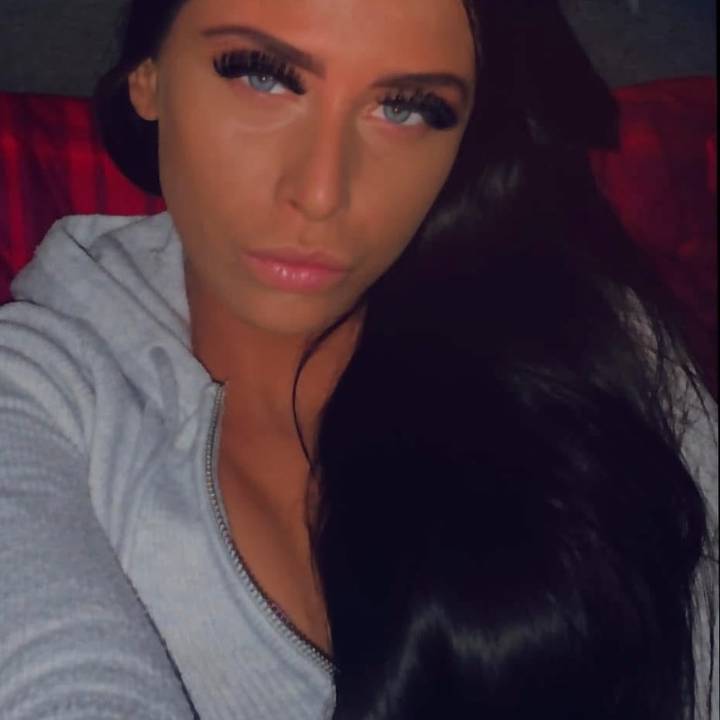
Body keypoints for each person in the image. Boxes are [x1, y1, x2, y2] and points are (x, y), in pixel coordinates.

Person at [0, 0, 717, 718]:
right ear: (148, 78)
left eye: (406, 108)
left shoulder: (598, 340)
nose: (321, 194)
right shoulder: (37, 389)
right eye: (261, 76)